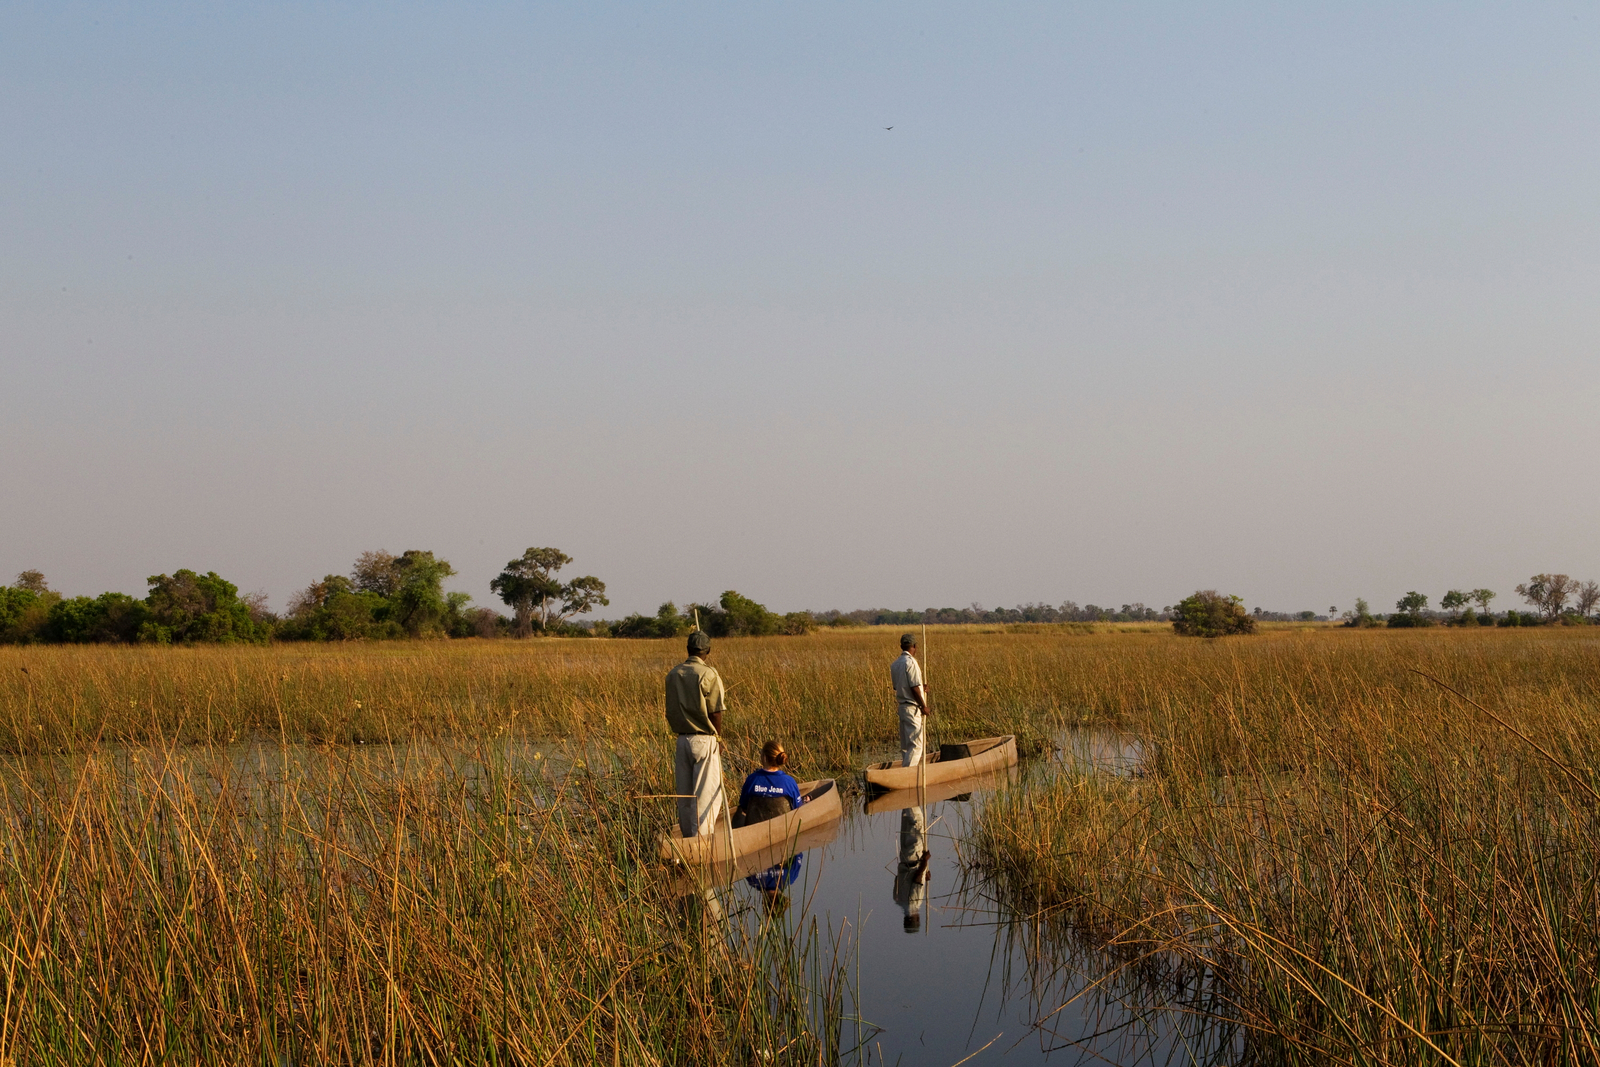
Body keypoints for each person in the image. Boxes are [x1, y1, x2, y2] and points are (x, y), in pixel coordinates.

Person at [665, 630, 727, 838]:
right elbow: (715, 711)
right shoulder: (709, 674)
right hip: (704, 739)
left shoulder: (674, 674)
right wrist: (718, 738)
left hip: (682, 740)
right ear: (707, 651)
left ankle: (687, 839)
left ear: (688, 649)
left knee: (685, 796)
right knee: (705, 795)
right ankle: (701, 844)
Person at [734, 740, 808, 827]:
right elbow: (797, 810)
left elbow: (744, 807)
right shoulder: (789, 782)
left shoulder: (751, 780)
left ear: (764, 757)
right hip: (783, 828)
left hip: (755, 829)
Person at [889, 632, 929, 767]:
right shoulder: (911, 662)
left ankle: (905, 771)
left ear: (901, 646)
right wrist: (923, 705)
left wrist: (921, 687)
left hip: (902, 707)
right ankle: (908, 775)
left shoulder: (895, 664)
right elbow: (913, 687)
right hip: (912, 708)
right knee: (917, 745)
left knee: (906, 746)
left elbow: (898, 686)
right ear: (915, 646)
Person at [893, 805, 932, 932]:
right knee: (907, 823)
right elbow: (897, 879)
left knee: (917, 821)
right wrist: (924, 874)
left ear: (913, 919)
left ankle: (910, 797)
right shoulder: (898, 900)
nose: (919, 918)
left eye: (917, 920)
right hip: (904, 857)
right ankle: (905, 801)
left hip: (914, 857)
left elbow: (916, 880)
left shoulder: (914, 905)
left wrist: (924, 863)